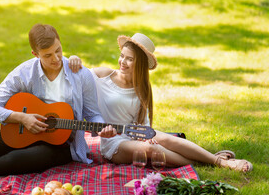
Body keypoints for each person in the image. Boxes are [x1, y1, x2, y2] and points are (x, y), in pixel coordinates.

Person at [69, 33, 253, 172]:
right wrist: (74, 60)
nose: (122, 62)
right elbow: (77, 74)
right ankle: (215, 161)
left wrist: (149, 136)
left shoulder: (142, 90)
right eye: (122, 56)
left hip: (133, 135)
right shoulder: (103, 75)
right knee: (148, 149)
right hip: (113, 143)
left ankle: (216, 161)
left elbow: (143, 126)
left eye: (129, 59)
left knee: (162, 137)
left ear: (139, 64)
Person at [0, 23, 115, 176]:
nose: (56, 58)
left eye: (58, 50)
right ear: (35, 54)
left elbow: (93, 114)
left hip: (61, 145)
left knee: (14, 159)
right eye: (48, 55)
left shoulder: (80, 74)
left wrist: (102, 128)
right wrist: (23, 118)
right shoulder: (23, 73)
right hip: (25, 133)